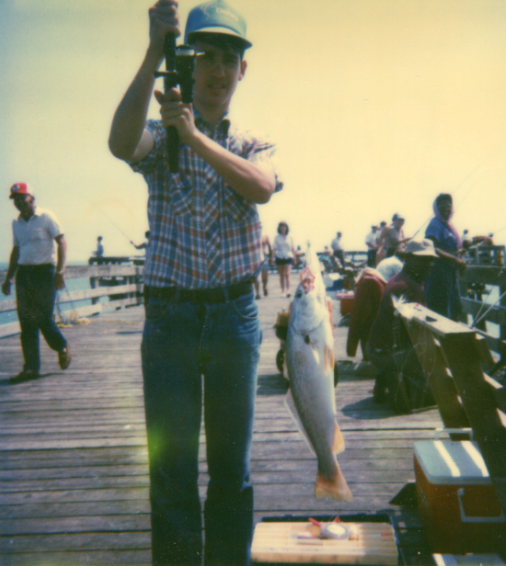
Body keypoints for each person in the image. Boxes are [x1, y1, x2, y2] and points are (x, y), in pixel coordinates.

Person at [108, 1, 282, 564]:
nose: (216, 70)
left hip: (235, 320)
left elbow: (261, 187)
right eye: (204, 55)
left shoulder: (252, 142)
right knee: (173, 469)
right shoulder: (162, 139)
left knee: (232, 468)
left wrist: (196, 136)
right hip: (170, 324)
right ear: (186, 63)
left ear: (242, 70)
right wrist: (155, 47)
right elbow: (119, 143)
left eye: (228, 58)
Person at [1, 183, 71, 379]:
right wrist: (9, 278)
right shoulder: (16, 223)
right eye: (15, 198)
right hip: (24, 274)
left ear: (32, 198)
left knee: (43, 317)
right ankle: (31, 367)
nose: (19, 202)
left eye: (22, 197)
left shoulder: (46, 216)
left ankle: (62, 345)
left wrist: (60, 271)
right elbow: (16, 251)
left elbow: (62, 242)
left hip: (45, 273)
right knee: (26, 322)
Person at [367, 239, 437, 411]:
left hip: (375, 348)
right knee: (437, 385)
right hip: (388, 354)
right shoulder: (409, 288)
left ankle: (387, 378)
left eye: (431, 260)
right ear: (409, 258)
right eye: (424, 260)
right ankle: (402, 390)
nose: (430, 265)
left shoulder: (398, 278)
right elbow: (419, 332)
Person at [424, 193, 466, 321]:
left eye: (449, 207)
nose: (447, 210)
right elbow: (432, 248)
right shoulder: (435, 224)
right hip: (439, 273)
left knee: (455, 308)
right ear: (437, 208)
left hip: (451, 273)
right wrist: (455, 259)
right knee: (440, 310)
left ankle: (453, 338)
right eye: (443, 206)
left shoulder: (448, 226)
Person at [346, 267, 386, 360]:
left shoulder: (366, 282)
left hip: (371, 331)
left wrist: (351, 349)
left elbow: (358, 315)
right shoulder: (378, 279)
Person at [273, 221, 295, 298]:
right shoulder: (276, 238)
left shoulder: (290, 237)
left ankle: (288, 290)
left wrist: (295, 258)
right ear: (279, 228)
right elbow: (274, 248)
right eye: (281, 226)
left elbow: (293, 248)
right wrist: (272, 257)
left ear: (286, 228)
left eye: (284, 226)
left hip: (288, 256)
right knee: (281, 275)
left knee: (287, 274)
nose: (283, 228)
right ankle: (283, 291)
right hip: (279, 256)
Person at [253, 233, 272, 299]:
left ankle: (264, 286)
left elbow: (270, 247)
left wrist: (271, 257)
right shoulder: (252, 235)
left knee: (264, 274)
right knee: (255, 275)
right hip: (254, 256)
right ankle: (257, 293)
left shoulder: (265, 236)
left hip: (264, 256)